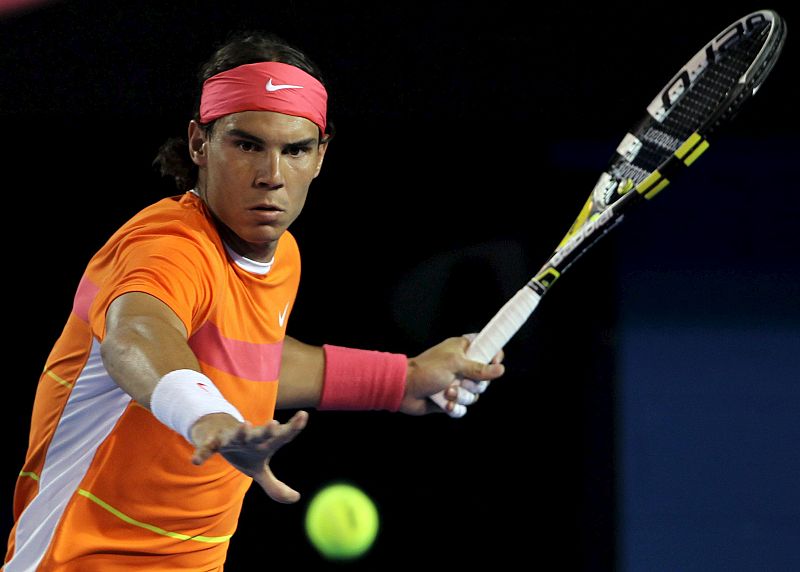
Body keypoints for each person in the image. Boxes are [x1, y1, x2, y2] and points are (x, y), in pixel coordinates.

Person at [3, 30, 505, 571]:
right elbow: (135, 337)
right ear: (199, 143)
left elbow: (247, 361)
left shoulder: (280, 255)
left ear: (321, 156)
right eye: (247, 145)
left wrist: (402, 379)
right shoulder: (169, 246)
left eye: (295, 150)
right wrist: (209, 419)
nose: (271, 177)